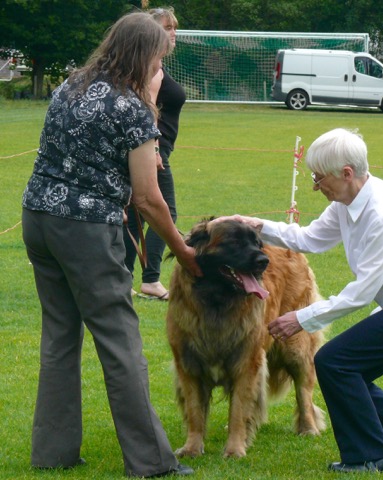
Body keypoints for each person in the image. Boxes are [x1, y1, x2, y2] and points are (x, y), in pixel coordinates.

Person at [214, 128, 383, 474]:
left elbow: (361, 293)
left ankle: (372, 456)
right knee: (351, 372)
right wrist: (254, 225)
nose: (315, 186)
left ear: (346, 173)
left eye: (319, 177)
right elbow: (309, 239)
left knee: (334, 362)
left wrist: (301, 318)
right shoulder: (346, 203)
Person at [21, 11, 201, 477]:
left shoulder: (69, 86)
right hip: (84, 229)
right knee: (120, 342)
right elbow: (149, 198)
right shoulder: (132, 108)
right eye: (158, 58)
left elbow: (71, 156)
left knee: (60, 337)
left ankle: (53, 454)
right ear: (143, 55)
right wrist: (183, 250)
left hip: (38, 218)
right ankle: (151, 462)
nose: (160, 67)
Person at [124, 6, 185, 300]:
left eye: (174, 28)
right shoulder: (153, 69)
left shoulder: (154, 65)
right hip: (152, 152)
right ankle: (150, 279)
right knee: (165, 212)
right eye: (166, 27)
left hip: (154, 149)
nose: (172, 33)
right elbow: (146, 108)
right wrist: (156, 149)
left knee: (136, 214)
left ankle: (124, 278)